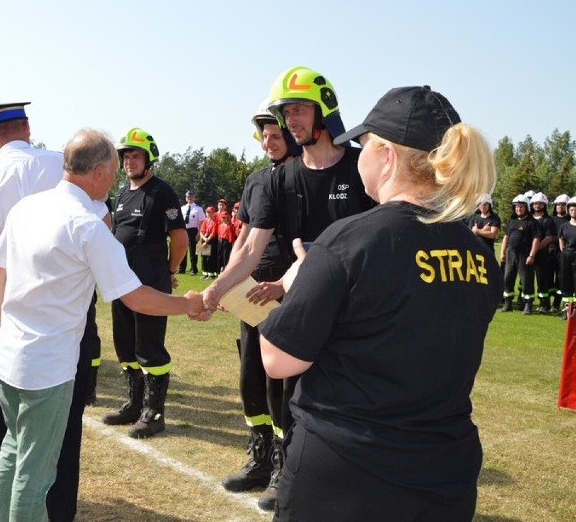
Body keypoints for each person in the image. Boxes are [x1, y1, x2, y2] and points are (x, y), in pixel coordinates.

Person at [255, 85, 503, 521]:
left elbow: (277, 360)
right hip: (445, 474)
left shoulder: (351, 240)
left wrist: (296, 281)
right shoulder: (478, 253)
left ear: (387, 157)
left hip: (347, 476)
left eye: (363, 145)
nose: (358, 156)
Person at [0, 128, 204, 520]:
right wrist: (186, 304)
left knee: (10, 458)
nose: (116, 180)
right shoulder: (85, 223)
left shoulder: (26, 208)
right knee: (34, 481)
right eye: (114, 171)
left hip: (9, 357)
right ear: (99, 172)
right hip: (47, 368)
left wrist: (9, 328)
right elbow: (135, 296)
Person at [204, 65, 371, 511]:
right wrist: (215, 290)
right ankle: (286, 473)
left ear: (325, 111)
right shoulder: (280, 179)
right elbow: (250, 247)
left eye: (298, 110)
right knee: (290, 397)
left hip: (355, 311)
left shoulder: (363, 167)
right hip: (300, 308)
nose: (290, 121)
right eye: (286, 112)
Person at [0, 102, 90, 520]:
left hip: (13, 319)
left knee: (9, 437)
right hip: (67, 318)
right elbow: (99, 227)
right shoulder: (60, 164)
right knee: (62, 431)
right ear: (28, 128)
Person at [221, 102, 295, 497]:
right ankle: (260, 458)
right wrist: (225, 285)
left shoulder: (302, 176)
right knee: (250, 374)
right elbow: (244, 240)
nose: (269, 142)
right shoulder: (255, 180)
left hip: (288, 288)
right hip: (251, 289)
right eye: (264, 136)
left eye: (277, 135)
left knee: (278, 380)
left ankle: (284, 467)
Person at [103, 127, 188, 439]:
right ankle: (133, 404)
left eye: (135, 155)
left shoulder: (161, 191)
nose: (128, 161)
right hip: (120, 281)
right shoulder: (121, 195)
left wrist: (168, 270)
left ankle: (154, 414)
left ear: (148, 158)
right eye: (125, 156)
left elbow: (179, 238)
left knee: (150, 347)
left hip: (150, 280)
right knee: (125, 345)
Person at [500, 195, 540, 313]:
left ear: (526, 207)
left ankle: (528, 304)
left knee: (526, 280)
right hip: (510, 254)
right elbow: (506, 237)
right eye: (517, 207)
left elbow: (536, 239)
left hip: (524, 255)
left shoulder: (532, 222)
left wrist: (532, 255)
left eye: (521, 207)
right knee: (508, 278)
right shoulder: (511, 220)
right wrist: (502, 252)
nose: (518, 209)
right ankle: (507, 303)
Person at [529, 192, 557, 314]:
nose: (537, 206)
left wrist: (535, 249)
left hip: (541, 254)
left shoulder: (548, 220)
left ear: (544, 205)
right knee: (526, 279)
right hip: (527, 254)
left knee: (542, 280)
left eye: (540, 204)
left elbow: (549, 238)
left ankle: (544, 304)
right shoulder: (528, 218)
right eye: (535, 203)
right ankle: (525, 302)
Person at [179, 190, 206, 275]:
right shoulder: (182, 208)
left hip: (193, 231)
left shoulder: (198, 208)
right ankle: (182, 268)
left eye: (191, 197)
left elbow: (202, 222)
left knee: (193, 251)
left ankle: (193, 269)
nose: (189, 198)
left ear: (194, 198)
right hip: (184, 230)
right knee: (182, 249)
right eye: (188, 197)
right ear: (186, 198)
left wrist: (198, 233)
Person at [552, 194, 571, 312]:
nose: (560, 207)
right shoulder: (551, 219)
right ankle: (548, 304)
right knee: (548, 278)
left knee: (561, 278)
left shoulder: (570, 221)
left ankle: (558, 303)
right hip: (550, 251)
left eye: (563, 205)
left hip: (565, 253)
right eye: (558, 204)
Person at [558, 196, 576, 319]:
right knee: (566, 281)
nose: (574, 212)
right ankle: (567, 309)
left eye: (575, 210)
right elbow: (561, 239)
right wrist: (564, 251)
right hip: (567, 255)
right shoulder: (564, 226)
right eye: (571, 210)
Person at [199, 205, 218, 279]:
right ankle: (205, 273)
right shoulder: (205, 221)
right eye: (207, 212)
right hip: (204, 239)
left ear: (213, 213)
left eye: (210, 212)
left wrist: (206, 241)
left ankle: (211, 274)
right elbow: (201, 231)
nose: (208, 213)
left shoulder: (215, 222)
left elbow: (213, 233)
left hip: (211, 240)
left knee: (210, 258)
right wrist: (204, 238)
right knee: (203, 257)